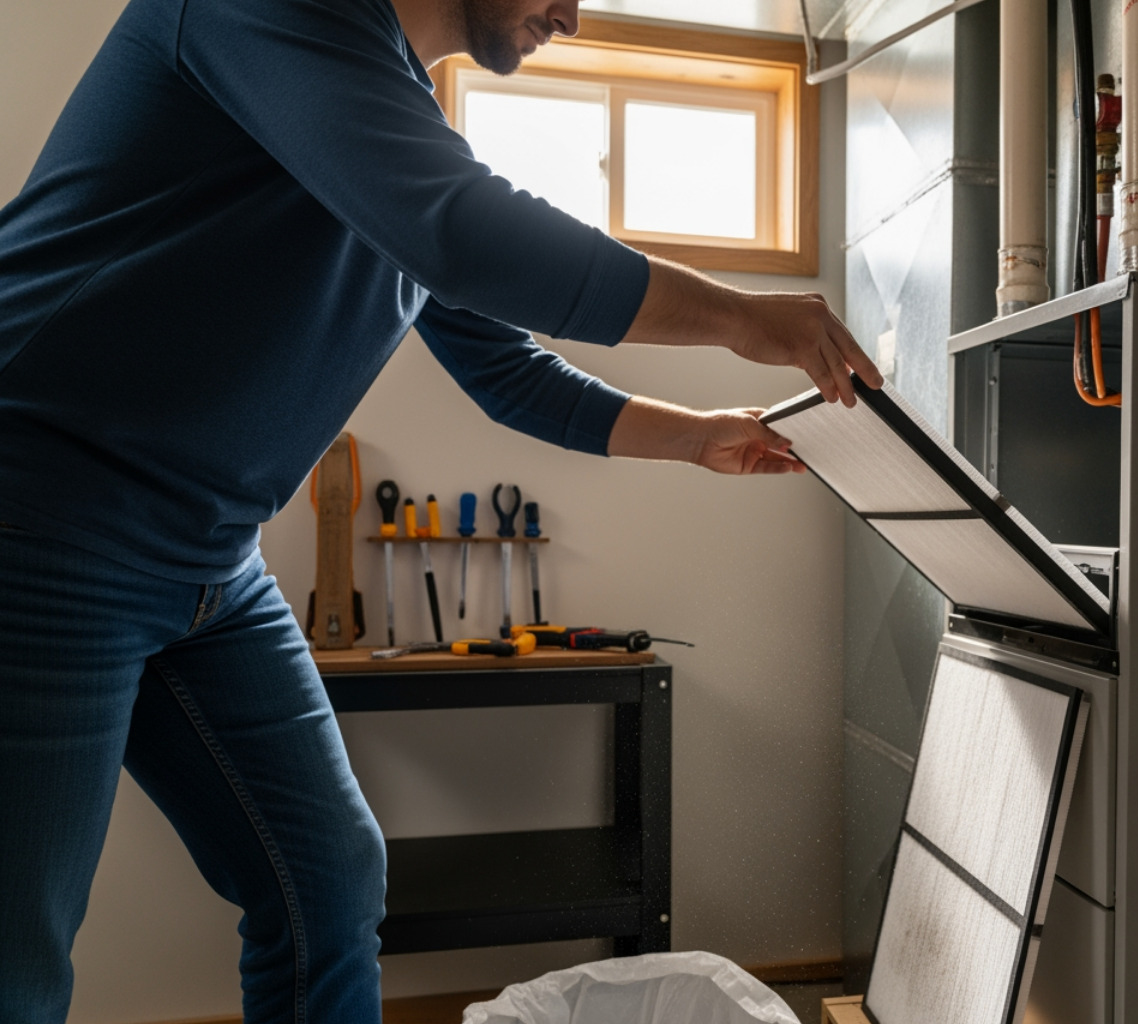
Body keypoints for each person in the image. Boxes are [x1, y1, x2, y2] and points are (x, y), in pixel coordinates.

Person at [0, 0, 881, 1019]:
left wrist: (697, 434)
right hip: (40, 518)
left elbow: (508, 372)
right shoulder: (271, 14)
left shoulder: (391, 125)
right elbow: (463, 234)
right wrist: (741, 316)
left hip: (208, 560)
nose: (575, 12)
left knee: (326, 881)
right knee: (16, 957)